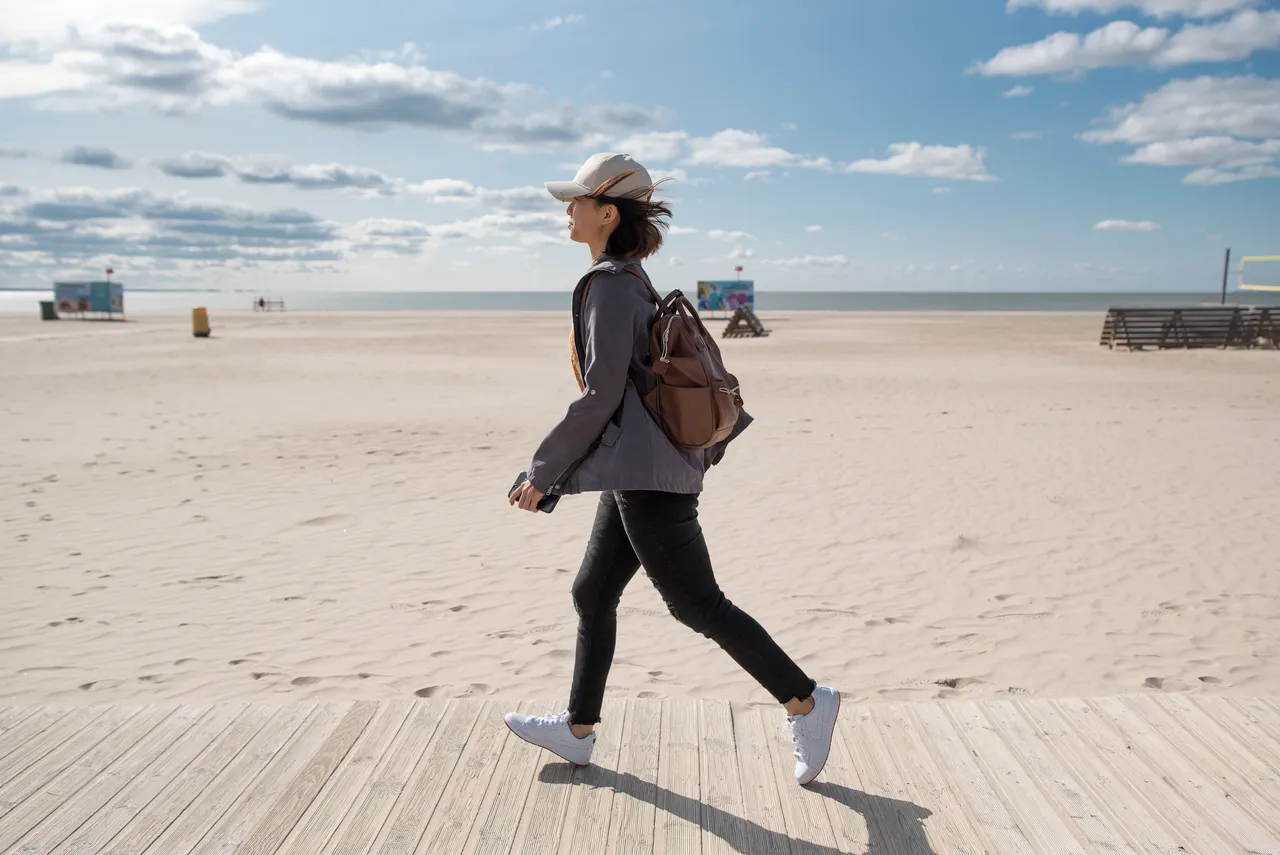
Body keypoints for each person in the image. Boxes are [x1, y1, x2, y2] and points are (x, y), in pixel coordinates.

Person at [505, 152, 840, 786]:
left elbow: (600, 395)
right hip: (639, 466)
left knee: (698, 606)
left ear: (607, 213)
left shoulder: (609, 284)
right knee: (593, 593)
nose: (567, 211)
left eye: (576, 201)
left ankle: (806, 702)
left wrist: (543, 472)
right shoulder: (631, 279)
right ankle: (578, 732)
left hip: (649, 475)